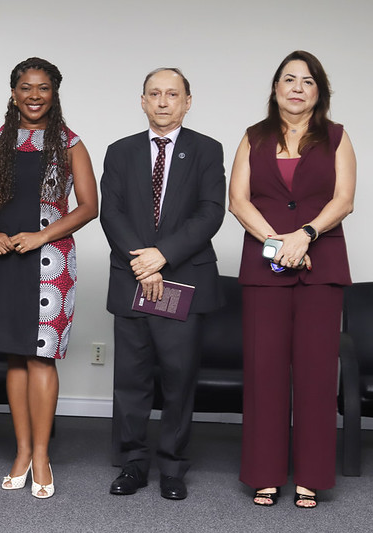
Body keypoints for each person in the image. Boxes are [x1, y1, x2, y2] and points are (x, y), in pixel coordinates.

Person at [228, 51, 356, 509]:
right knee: (264, 374)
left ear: (319, 92)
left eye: (308, 81)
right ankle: (264, 474)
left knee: (317, 375)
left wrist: (303, 236)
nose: (297, 87)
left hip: (322, 268)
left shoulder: (337, 138)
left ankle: (311, 477)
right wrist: (275, 242)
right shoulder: (253, 137)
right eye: (289, 79)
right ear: (276, 88)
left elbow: (344, 200)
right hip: (265, 270)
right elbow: (238, 200)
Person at [0, 57, 98, 499]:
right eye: (26, 87)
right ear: (13, 92)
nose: (35, 95)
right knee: (13, 357)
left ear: (54, 93)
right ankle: (21, 451)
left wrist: (41, 235)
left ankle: (42, 455)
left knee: (42, 357)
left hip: (50, 262)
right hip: (5, 259)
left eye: (43, 88)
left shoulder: (70, 143)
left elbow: (87, 206)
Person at [100, 68, 225, 500]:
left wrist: (163, 255)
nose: (163, 101)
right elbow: (110, 213)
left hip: (183, 280)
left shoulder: (207, 150)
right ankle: (134, 463)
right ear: (142, 101)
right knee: (131, 380)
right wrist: (144, 262)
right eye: (154, 93)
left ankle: (172, 466)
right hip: (134, 278)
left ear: (188, 101)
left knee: (178, 378)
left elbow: (210, 213)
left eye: (173, 94)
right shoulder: (119, 152)